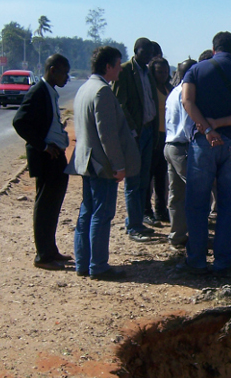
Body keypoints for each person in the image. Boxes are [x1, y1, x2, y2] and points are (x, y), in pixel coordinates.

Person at [181, 31, 231, 273]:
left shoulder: (195, 71)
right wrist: (221, 123)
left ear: (214, 49)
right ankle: (223, 261)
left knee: (197, 203)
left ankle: (196, 259)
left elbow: (187, 101)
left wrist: (207, 129)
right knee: (229, 205)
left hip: (203, 143)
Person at [70, 47, 141, 280]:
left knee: (87, 212)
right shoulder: (102, 91)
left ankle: (83, 262)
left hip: (86, 161)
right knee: (101, 214)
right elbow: (107, 135)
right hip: (101, 164)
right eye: (118, 64)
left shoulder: (85, 88)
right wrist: (118, 165)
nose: (121, 69)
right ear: (108, 66)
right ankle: (98, 265)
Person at [12, 53, 71, 270]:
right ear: (53, 70)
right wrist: (43, 146)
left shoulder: (50, 91)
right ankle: (42, 256)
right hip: (46, 157)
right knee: (45, 204)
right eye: (64, 73)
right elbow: (19, 122)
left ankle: (50, 249)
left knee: (53, 204)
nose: (67, 78)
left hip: (56, 155)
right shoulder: (37, 91)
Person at [112, 38, 159, 241]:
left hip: (149, 131)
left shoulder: (148, 72)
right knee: (133, 181)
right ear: (136, 51)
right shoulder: (125, 71)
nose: (148, 55)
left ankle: (137, 221)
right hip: (135, 134)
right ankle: (133, 227)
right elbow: (119, 104)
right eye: (144, 52)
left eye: (150, 52)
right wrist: (133, 130)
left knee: (143, 180)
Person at [164, 58, 196, 248]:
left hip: (170, 145)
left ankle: (177, 235)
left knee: (176, 194)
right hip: (183, 147)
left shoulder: (173, 92)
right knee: (196, 192)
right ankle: (196, 236)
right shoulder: (186, 93)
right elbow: (187, 123)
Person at [144, 54, 174, 224]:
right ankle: (146, 210)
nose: (163, 75)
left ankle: (161, 210)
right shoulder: (150, 89)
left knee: (162, 176)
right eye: (159, 72)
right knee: (148, 176)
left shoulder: (169, 88)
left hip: (167, 136)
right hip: (153, 135)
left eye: (165, 71)